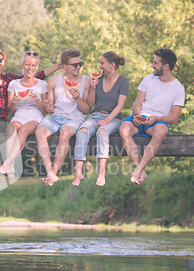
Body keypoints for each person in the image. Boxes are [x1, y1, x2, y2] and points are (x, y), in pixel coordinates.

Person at [120, 48, 185, 184]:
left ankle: (138, 170)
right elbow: (137, 104)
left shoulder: (178, 89)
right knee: (124, 128)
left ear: (165, 66)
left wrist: (157, 118)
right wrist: (137, 116)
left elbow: (174, 118)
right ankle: (139, 169)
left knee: (161, 131)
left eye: (155, 63)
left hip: (157, 122)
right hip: (139, 118)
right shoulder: (148, 78)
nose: (152, 65)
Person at [72, 51, 129, 187]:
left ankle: (101, 172)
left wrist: (107, 120)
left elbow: (120, 105)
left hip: (113, 119)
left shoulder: (123, 81)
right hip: (95, 115)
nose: (100, 66)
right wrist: (93, 88)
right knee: (82, 131)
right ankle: (78, 171)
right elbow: (91, 104)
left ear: (112, 65)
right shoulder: (99, 80)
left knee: (102, 132)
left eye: (102, 63)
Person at [35, 49, 91, 186]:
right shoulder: (53, 81)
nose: (78, 67)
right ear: (65, 66)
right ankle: (50, 171)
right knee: (39, 132)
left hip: (75, 119)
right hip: (55, 117)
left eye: (80, 64)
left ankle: (53, 172)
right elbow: (50, 109)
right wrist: (48, 106)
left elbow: (86, 110)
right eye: (75, 65)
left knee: (65, 133)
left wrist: (77, 98)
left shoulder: (86, 81)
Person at [0, 51, 48, 177]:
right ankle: (11, 166)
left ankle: (7, 163)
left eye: (33, 65)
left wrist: (38, 101)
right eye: (27, 64)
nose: (30, 68)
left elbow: (46, 111)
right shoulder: (13, 84)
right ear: (22, 65)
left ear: (37, 67)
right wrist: (13, 102)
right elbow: (10, 109)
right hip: (19, 115)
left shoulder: (43, 84)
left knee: (24, 130)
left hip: (35, 116)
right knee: (11, 128)